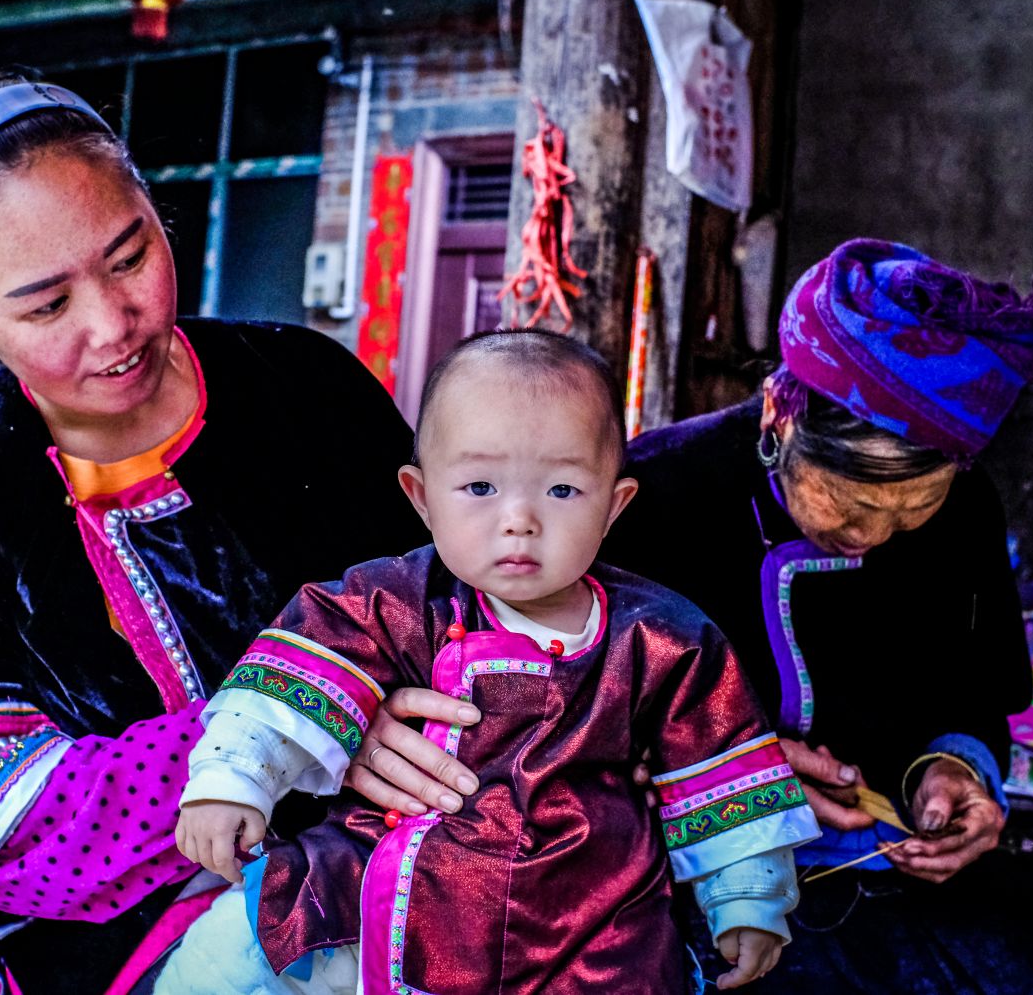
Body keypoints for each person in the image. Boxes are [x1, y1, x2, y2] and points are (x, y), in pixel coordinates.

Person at [0, 78, 481, 994]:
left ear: (154, 210)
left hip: (401, 893)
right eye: (45, 305)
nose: (113, 324)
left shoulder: (308, 388)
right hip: (115, 960)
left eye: (129, 254)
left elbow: (470, 614)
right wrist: (304, 724)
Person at [606, 238, 1033, 992]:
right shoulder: (650, 496)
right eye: (849, 504)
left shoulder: (967, 510)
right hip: (687, 895)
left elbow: (973, 693)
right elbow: (566, 725)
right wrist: (731, 774)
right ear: (779, 415)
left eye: (912, 511)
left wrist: (955, 768)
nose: (873, 537)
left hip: (888, 876)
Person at [159, 330, 822, 995]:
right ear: (421, 497)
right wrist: (231, 780)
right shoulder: (391, 598)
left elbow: (722, 764)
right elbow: (288, 684)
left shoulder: (664, 636)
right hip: (386, 882)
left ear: (614, 506)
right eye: (479, 485)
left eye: (562, 490)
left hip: (583, 912)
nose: (519, 519)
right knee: (226, 954)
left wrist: (748, 900)